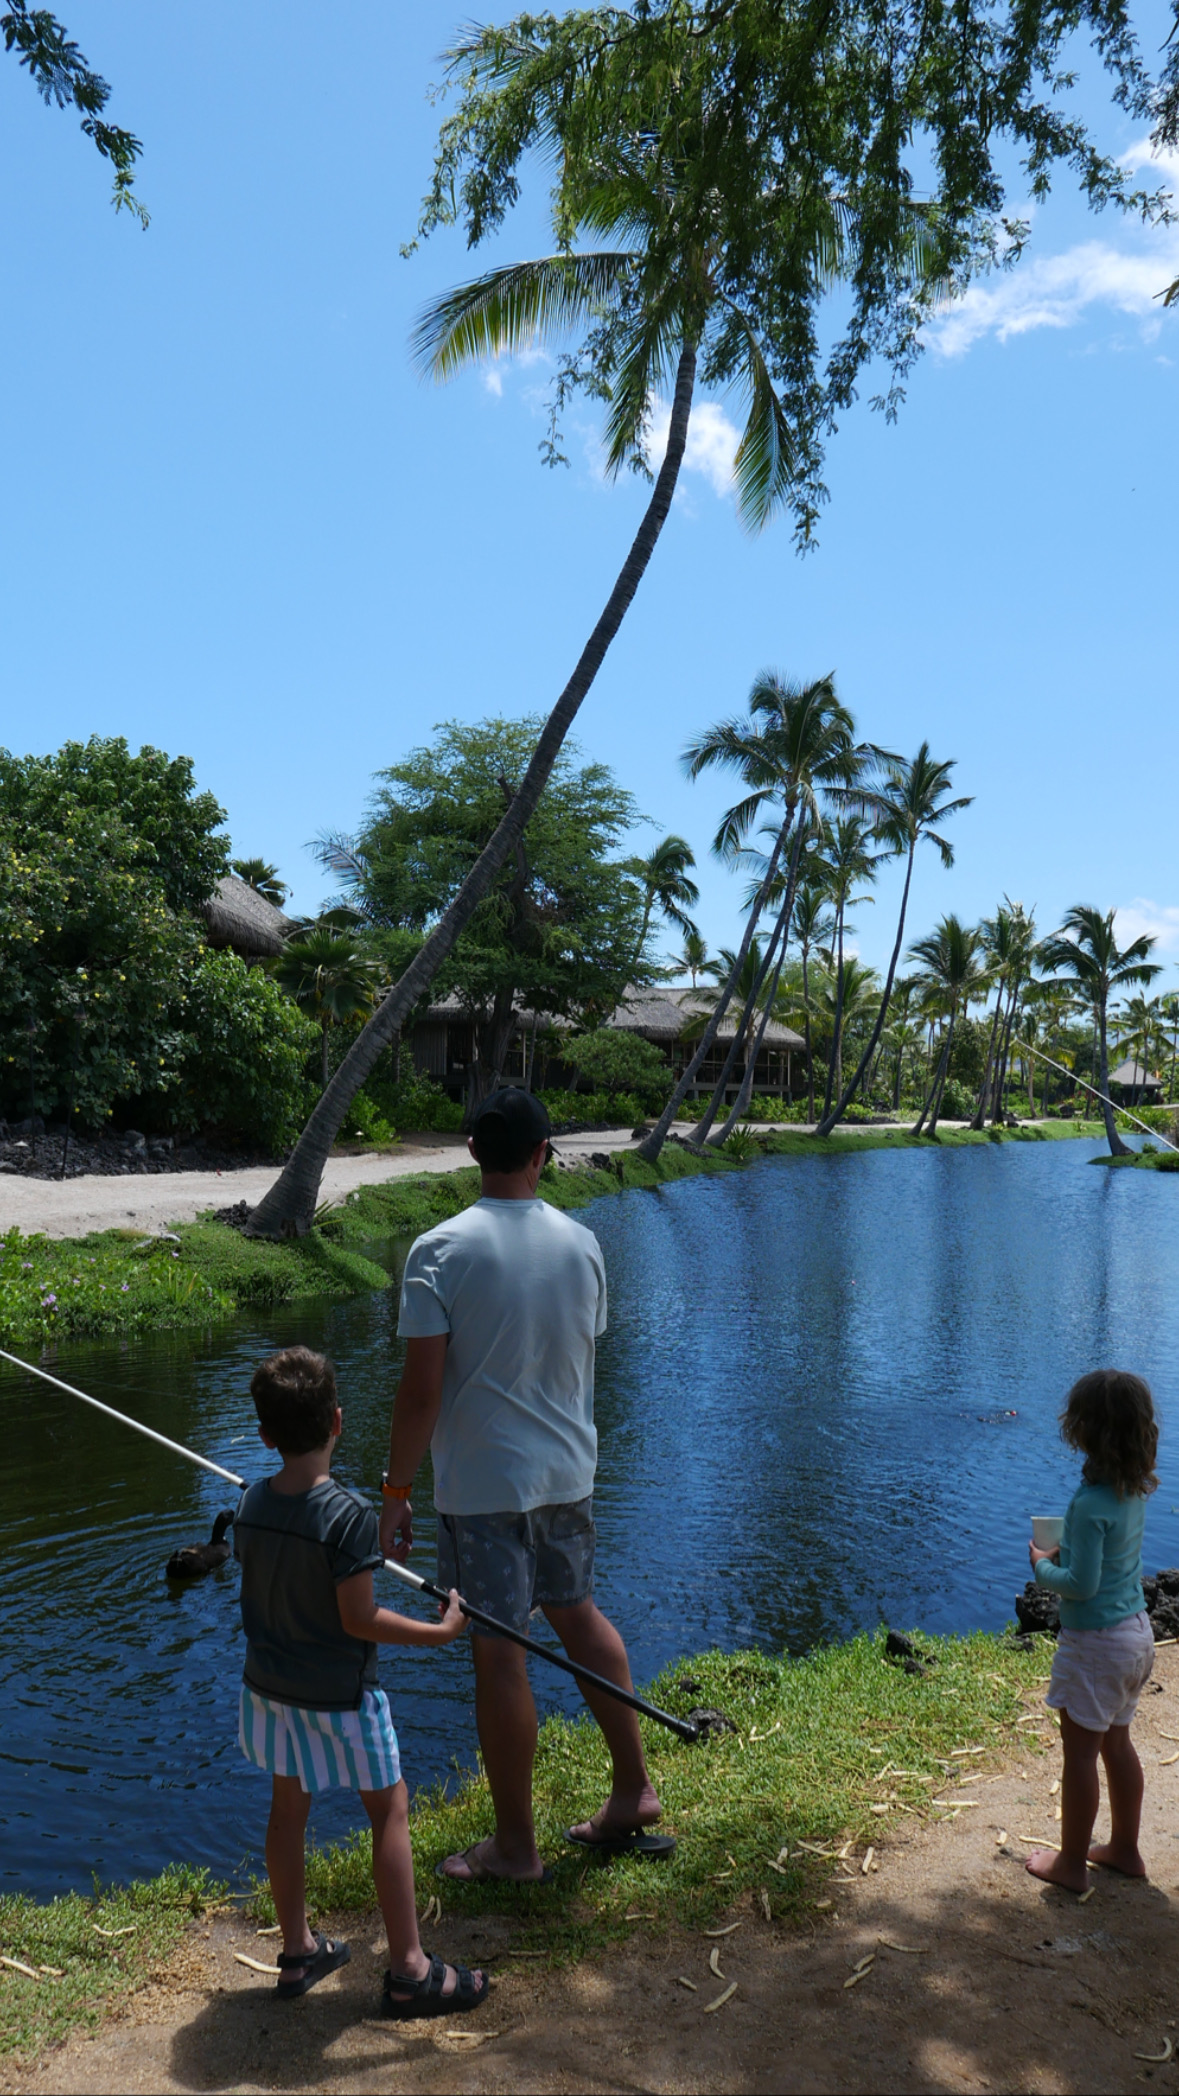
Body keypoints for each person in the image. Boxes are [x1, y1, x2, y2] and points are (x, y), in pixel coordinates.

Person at [380, 1087, 664, 1884]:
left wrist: (394, 1491)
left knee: (499, 1651)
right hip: (568, 1471)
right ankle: (632, 1789)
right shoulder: (582, 1243)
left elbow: (420, 1393)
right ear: (544, 1154)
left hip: (482, 1487)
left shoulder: (437, 1250)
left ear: (471, 1149)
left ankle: (514, 1847)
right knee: (576, 1614)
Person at [234, 1344, 488, 2018]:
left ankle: (297, 1952)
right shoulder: (346, 1516)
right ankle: (409, 1970)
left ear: (264, 1436)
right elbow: (358, 1618)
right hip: (341, 1697)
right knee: (390, 1808)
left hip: (269, 1692)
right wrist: (439, 1631)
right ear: (339, 1422)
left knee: (288, 1812)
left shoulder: (251, 1503)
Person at [1026, 1368, 1159, 1895]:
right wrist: (1073, 1551)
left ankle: (1072, 1864)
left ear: (1085, 1432)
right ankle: (1125, 1848)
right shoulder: (1132, 1491)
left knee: (1079, 1755)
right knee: (1118, 1745)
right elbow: (1108, 1564)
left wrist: (1042, 1566)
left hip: (1096, 1645)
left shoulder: (1086, 1504)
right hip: (1136, 1636)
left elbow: (1080, 1586)